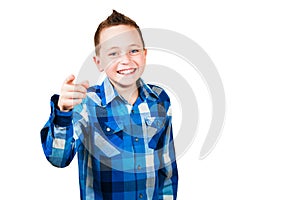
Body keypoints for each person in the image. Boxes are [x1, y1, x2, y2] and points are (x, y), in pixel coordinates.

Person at [40, 10, 178, 200]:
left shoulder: (160, 99)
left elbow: (167, 168)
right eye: (113, 53)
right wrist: (64, 112)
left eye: (134, 50)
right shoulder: (86, 103)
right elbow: (58, 158)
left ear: (144, 54)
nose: (126, 60)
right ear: (99, 62)